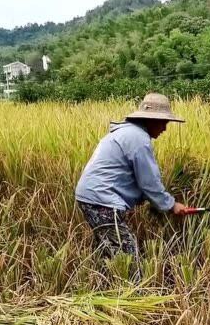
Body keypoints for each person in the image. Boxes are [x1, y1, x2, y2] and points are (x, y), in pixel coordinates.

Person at [75, 93, 187, 282]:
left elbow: (134, 180)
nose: (165, 128)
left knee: (109, 249)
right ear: (150, 120)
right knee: (127, 252)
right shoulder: (138, 139)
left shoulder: (127, 133)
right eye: (163, 122)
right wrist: (171, 205)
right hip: (102, 199)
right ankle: (132, 293)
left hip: (93, 196)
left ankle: (104, 286)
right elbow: (149, 182)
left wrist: (154, 203)